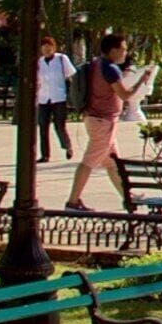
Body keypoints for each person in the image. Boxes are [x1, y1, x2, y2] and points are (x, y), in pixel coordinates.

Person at [64, 30, 132, 208]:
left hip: (96, 119)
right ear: (113, 50)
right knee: (88, 162)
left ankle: (127, 198)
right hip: (104, 121)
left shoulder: (96, 64)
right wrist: (142, 81)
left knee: (113, 163)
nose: (125, 52)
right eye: (123, 49)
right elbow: (124, 95)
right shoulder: (110, 68)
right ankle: (73, 201)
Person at [32, 32, 75, 161]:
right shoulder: (39, 62)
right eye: (44, 47)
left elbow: (71, 76)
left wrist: (74, 93)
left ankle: (67, 146)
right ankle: (45, 154)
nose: (46, 49)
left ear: (54, 48)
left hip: (58, 97)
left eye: (49, 47)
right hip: (44, 98)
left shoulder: (61, 59)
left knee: (59, 126)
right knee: (43, 127)